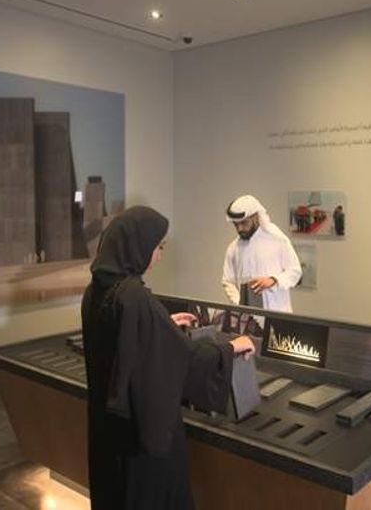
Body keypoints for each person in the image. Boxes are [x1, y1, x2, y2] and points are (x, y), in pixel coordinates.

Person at [82, 206, 255, 510]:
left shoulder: (97, 288)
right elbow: (183, 360)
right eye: (158, 247)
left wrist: (162, 324)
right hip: (139, 442)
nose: (159, 256)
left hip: (109, 433)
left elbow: (121, 339)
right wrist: (231, 348)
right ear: (138, 245)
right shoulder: (134, 296)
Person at [222, 195, 302, 312]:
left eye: (244, 223)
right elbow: (228, 281)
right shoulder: (233, 248)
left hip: (277, 312)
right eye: (236, 224)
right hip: (246, 317)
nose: (239, 229)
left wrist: (274, 280)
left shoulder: (277, 240)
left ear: (255, 217)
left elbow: (295, 271)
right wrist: (238, 302)